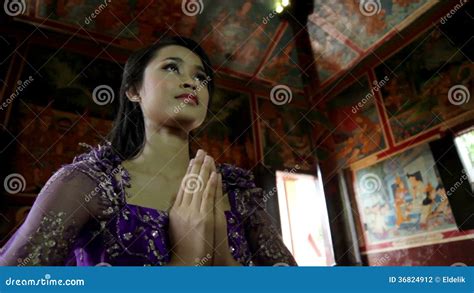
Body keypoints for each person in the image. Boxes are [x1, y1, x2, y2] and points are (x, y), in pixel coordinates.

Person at [0, 36, 297, 266]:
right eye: (171, 67)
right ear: (133, 90)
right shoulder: (85, 185)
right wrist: (183, 263)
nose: (190, 81)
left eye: (201, 77)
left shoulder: (237, 193)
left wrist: (226, 266)